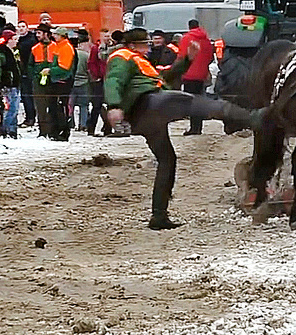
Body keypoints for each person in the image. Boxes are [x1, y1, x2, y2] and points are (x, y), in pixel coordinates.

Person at [104, 28, 261, 229]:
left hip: (145, 115)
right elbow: (114, 80)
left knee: (167, 160)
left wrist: (187, 60)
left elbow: (164, 75)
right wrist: (114, 105)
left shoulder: (137, 60)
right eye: (145, 45)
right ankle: (254, 118)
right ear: (132, 45)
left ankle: (159, 216)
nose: (148, 49)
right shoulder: (122, 56)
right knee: (198, 103)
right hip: (149, 103)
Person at [177, 19, 214, 135]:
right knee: (199, 99)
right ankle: (198, 127)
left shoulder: (186, 38)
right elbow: (210, 57)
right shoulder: (206, 39)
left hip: (189, 74)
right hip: (202, 74)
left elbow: (182, 56)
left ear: (189, 27)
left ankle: (194, 128)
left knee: (191, 101)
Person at [48, 26, 76, 141]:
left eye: (56, 34)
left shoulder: (66, 48)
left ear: (62, 36)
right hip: (57, 81)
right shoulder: (59, 47)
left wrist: (50, 71)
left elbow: (64, 68)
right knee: (56, 107)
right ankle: (57, 131)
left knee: (61, 107)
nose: (54, 36)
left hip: (62, 82)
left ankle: (63, 132)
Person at [29, 22, 55, 137]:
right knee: (40, 107)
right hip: (38, 82)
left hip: (53, 81)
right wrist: (34, 76)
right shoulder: (35, 49)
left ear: (46, 34)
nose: (37, 35)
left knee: (53, 106)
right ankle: (43, 131)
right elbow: (30, 65)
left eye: (39, 33)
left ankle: (52, 129)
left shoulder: (55, 47)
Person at [87, 28, 113, 136]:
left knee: (110, 104)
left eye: (108, 36)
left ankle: (108, 128)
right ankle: (91, 128)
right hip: (100, 80)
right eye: (105, 36)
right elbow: (91, 63)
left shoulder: (113, 48)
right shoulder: (96, 48)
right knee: (97, 105)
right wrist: (96, 75)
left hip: (110, 79)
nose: (107, 38)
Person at [0, 30, 21, 138]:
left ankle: (12, 130)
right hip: (9, 84)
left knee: (15, 108)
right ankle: (6, 129)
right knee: (10, 108)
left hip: (14, 83)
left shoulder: (13, 51)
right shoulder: (5, 52)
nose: (16, 42)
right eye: (14, 39)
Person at [15, 20, 38, 127]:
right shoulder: (19, 40)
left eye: (23, 26)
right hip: (21, 71)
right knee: (25, 96)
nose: (21, 28)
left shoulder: (30, 40)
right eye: (19, 26)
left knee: (28, 96)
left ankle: (31, 117)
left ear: (27, 28)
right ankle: (30, 117)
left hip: (28, 72)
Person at [70, 37, 91, 131]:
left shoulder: (69, 54)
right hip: (84, 82)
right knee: (84, 105)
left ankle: (71, 123)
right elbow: (89, 69)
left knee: (70, 105)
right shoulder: (85, 55)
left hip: (71, 83)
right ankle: (83, 124)